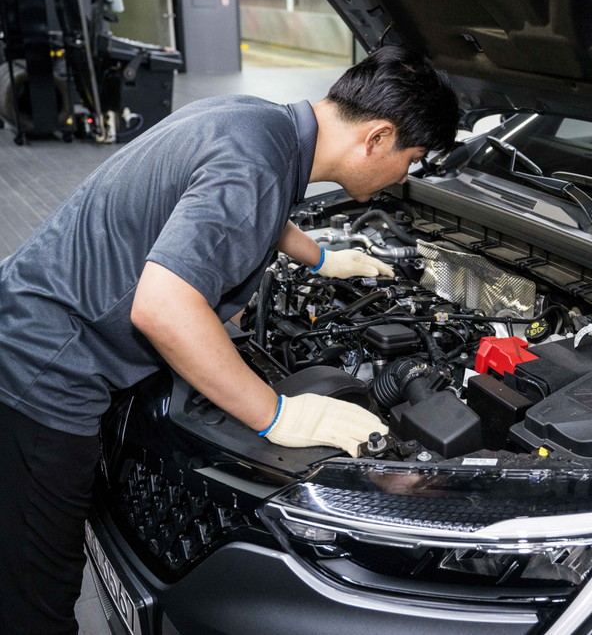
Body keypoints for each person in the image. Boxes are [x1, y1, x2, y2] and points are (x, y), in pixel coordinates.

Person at [0, 45, 459, 634]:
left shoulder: (258, 122)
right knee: (36, 599)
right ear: (377, 138)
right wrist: (279, 415)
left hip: (35, 324)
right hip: (43, 375)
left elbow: (245, 206)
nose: (406, 176)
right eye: (412, 159)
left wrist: (322, 258)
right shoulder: (257, 163)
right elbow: (164, 308)